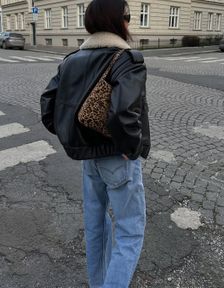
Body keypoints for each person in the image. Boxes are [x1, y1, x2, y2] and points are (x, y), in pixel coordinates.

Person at [40, 0, 151, 287]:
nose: (130, 22)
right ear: (119, 21)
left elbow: (48, 107)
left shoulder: (71, 59)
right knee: (130, 231)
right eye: (128, 17)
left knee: (96, 225)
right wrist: (130, 149)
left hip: (88, 158)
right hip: (118, 157)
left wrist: (74, 136)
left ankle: (99, 281)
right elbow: (125, 113)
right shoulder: (127, 59)